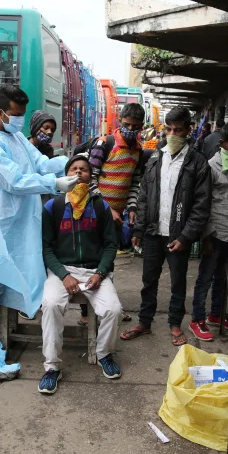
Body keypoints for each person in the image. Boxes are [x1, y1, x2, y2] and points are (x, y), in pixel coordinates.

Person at [0, 84, 73, 343]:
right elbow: (13, 181)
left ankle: (2, 334)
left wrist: (69, 163)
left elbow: (40, 164)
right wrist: (54, 184)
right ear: (0, 113)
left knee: (16, 276)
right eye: (17, 114)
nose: (21, 119)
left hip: (17, 224)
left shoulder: (16, 137)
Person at [122, 107, 212, 347]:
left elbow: (201, 205)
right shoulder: (155, 157)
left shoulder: (197, 162)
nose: (172, 134)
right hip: (152, 231)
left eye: (178, 130)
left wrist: (185, 236)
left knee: (177, 282)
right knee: (148, 279)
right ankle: (144, 321)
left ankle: (174, 323)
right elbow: (144, 195)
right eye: (169, 129)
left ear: (188, 130)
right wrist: (139, 229)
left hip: (178, 235)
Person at [38, 154, 122, 394]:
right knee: (51, 304)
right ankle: (52, 367)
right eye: (73, 169)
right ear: (65, 175)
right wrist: (64, 275)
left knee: (113, 310)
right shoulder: (53, 206)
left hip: (95, 271)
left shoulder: (100, 205)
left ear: (90, 175)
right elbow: (46, 248)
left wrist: (101, 272)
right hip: (63, 271)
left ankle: (104, 353)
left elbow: (109, 245)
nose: (78, 172)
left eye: (83, 169)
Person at [84, 102, 147, 324]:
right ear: (120, 122)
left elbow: (134, 184)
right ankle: (87, 315)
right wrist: (107, 208)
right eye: (128, 125)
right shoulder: (105, 143)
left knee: (108, 263)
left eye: (136, 126)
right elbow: (89, 180)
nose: (131, 129)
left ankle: (107, 308)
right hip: (95, 214)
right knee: (92, 262)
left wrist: (131, 208)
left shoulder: (138, 150)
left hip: (117, 218)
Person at [190, 122, 228, 339]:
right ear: (222, 143)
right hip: (214, 233)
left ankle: (216, 314)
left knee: (224, 277)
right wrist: (205, 236)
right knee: (205, 277)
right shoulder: (209, 167)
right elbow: (202, 204)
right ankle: (197, 318)